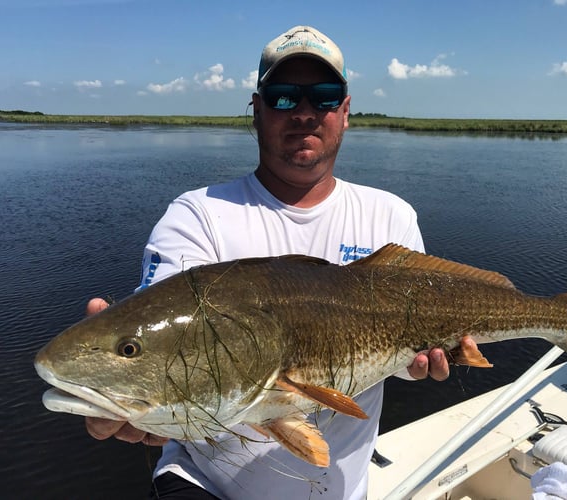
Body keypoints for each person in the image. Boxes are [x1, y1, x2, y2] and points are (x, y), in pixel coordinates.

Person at [85, 25, 476, 499]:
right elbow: (166, 318)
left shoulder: (390, 216)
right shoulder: (199, 215)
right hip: (205, 483)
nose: (305, 113)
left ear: (345, 112)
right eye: (285, 97)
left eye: (325, 96)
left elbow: (395, 360)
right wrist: (127, 368)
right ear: (257, 110)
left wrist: (416, 364)